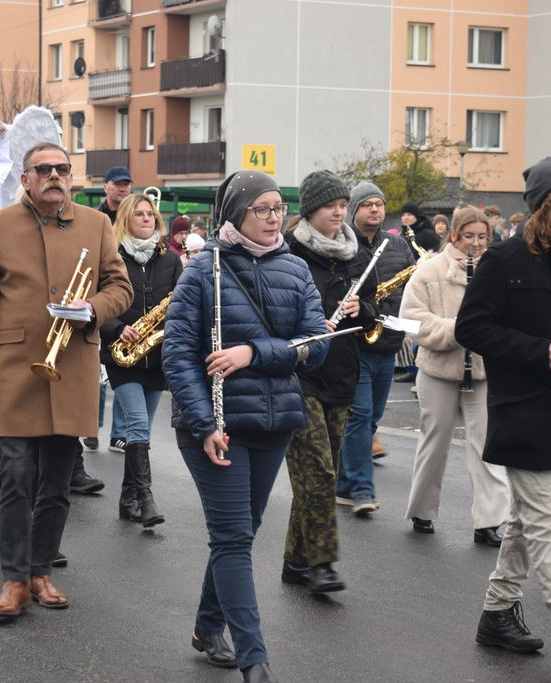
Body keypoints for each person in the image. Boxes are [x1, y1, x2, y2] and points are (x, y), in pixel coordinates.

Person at [0, 142, 132, 623]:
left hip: (71, 366)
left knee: (56, 484)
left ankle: (39, 571)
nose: (54, 175)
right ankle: (13, 581)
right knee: (15, 478)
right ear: (26, 179)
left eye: (62, 169)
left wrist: (93, 308)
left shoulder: (97, 224)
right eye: (43, 169)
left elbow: (121, 287)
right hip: (15, 371)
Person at [163, 170, 328, 683]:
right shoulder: (201, 271)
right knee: (234, 538)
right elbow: (178, 356)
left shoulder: (296, 270)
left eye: (279, 207)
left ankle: (207, 626)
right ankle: (255, 660)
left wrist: (252, 352)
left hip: (274, 421)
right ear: (236, 212)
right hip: (214, 424)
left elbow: (315, 346)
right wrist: (203, 421)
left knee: (243, 531)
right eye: (261, 208)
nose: (273, 217)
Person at [456, 157, 551, 672]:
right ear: (544, 204)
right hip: (520, 407)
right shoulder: (502, 259)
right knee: (547, 522)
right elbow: (471, 329)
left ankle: (497, 613)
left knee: (526, 522)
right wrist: (536, 350)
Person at [282, 170, 377, 595]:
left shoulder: (357, 254)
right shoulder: (287, 254)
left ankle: (295, 560)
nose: (339, 212)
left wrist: (362, 311)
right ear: (309, 211)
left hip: (342, 372)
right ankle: (322, 563)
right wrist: (310, 319)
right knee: (318, 472)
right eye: (330, 206)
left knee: (319, 472)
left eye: (342, 205)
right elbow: (274, 312)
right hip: (298, 376)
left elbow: (373, 315)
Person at [400, 207, 510, 544]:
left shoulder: (498, 271)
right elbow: (412, 319)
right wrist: (458, 330)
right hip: (438, 370)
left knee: (487, 446)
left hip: (483, 370)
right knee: (435, 442)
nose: (475, 244)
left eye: (482, 238)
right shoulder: (430, 270)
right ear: (454, 236)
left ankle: (489, 521)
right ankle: (422, 510)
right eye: (468, 237)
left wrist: (490, 335)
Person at [101, 193, 182, 527]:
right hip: (123, 355)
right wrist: (118, 327)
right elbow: (99, 302)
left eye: (151, 214)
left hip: (156, 356)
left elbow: (181, 304)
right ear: (126, 219)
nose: (147, 218)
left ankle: (127, 497)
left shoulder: (170, 260)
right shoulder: (111, 257)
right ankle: (146, 498)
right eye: (139, 214)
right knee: (136, 423)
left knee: (141, 430)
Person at [337, 182, 415, 515]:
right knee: (361, 414)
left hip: (389, 343)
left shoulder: (398, 245)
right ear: (354, 209)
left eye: (379, 204)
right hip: (355, 344)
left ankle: (342, 484)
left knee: (372, 419)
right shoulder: (342, 246)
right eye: (367, 204)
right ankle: (361, 490)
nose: (374, 209)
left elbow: (412, 288)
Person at [95, 165, 133, 454]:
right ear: (106, 186)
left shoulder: (133, 216)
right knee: (95, 369)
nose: (122, 188)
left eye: (126, 184)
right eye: (118, 184)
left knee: (124, 364)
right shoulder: (96, 219)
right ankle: (91, 426)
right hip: (100, 296)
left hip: (129, 296)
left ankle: (119, 432)